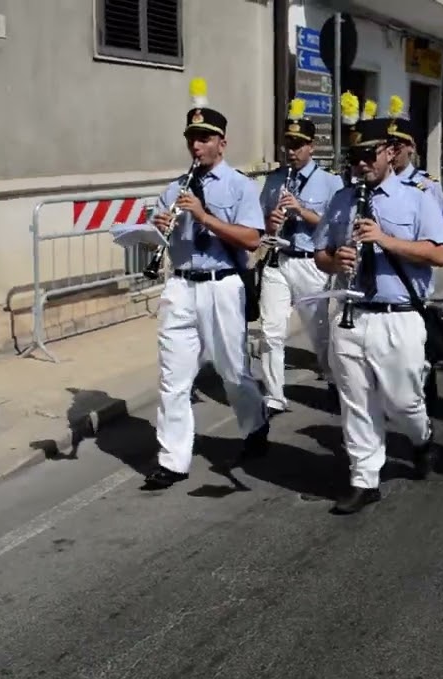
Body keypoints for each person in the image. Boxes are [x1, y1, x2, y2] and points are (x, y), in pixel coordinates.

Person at [311, 114, 443, 515]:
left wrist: (385, 240)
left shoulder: (418, 196)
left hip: (399, 314)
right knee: (355, 402)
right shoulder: (341, 200)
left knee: (404, 401)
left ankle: (422, 438)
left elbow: (439, 254)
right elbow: (320, 255)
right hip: (353, 311)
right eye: (355, 156)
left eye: (369, 155)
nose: (361, 164)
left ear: (390, 153)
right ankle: (364, 478)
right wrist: (335, 259)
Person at [143, 78, 270, 490]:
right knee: (173, 378)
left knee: (232, 370)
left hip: (222, 284)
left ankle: (255, 424)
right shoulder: (173, 188)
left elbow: (252, 239)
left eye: (203, 139)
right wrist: (159, 226)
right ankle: (173, 459)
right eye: (191, 139)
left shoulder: (239, 186)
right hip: (181, 285)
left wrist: (203, 215)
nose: (196, 147)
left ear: (222, 142)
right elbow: (160, 233)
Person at [258, 97, 345, 416]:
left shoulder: (330, 181)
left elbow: (336, 224)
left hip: (312, 262)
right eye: (288, 144)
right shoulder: (276, 179)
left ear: (312, 146)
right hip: (279, 260)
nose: (291, 151)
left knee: (321, 334)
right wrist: (272, 221)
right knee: (271, 330)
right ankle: (274, 394)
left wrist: (302, 212)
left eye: (298, 144)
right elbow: (261, 219)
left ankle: (334, 379)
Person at [386, 95, 443, 224]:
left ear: (411, 148)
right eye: (387, 147)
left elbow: (442, 227)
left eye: (397, 147)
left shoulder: (428, 185)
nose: (392, 153)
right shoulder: (377, 183)